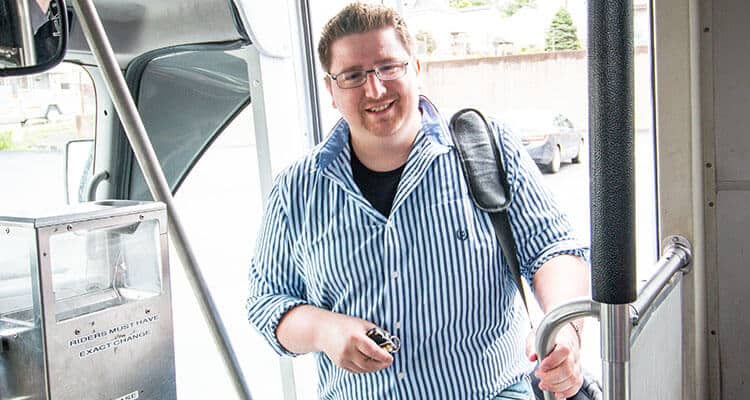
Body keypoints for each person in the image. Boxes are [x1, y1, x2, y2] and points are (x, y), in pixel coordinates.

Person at [247, 3, 590, 399]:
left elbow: (555, 248)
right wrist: (324, 329)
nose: (375, 89)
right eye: (353, 75)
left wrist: (564, 327)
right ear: (330, 89)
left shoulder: (486, 148)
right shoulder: (297, 189)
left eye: (389, 67)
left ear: (416, 69)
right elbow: (267, 300)